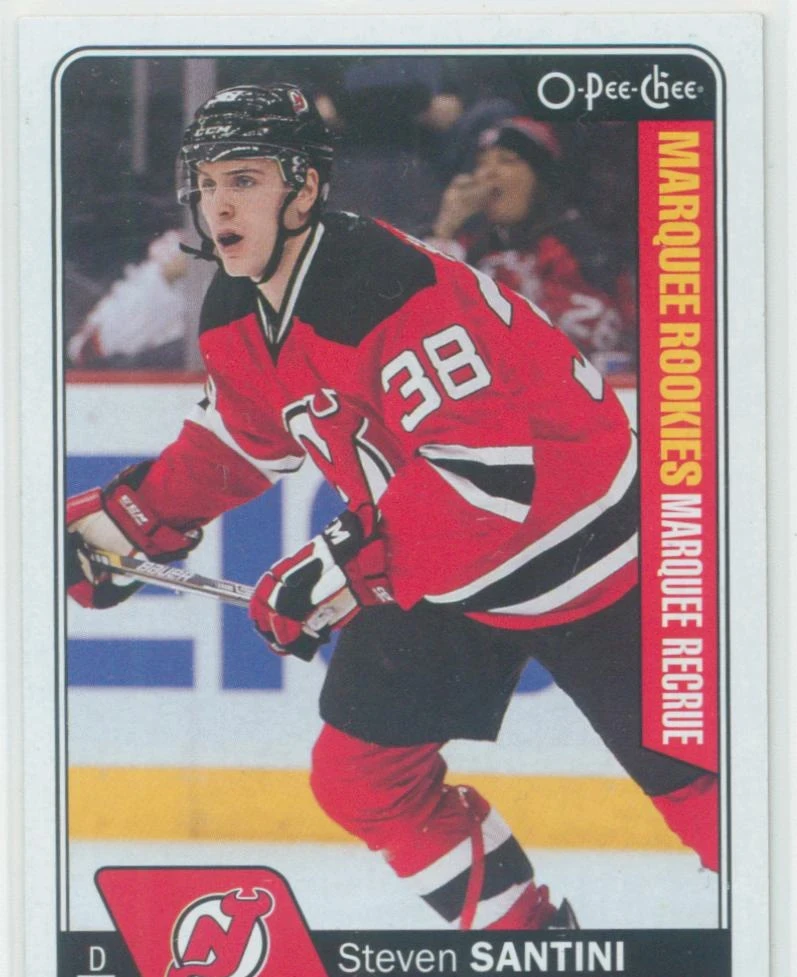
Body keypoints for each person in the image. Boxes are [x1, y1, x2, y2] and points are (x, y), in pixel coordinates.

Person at [66, 83, 718, 931]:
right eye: (208, 182)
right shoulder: (236, 305)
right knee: (361, 778)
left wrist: (336, 566)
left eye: (245, 179)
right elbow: (242, 438)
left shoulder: (386, 283)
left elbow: (483, 476)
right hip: (447, 562)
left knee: (714, 803)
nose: (218, 204)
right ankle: (520, 943)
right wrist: (131, 517)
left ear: (303, 188)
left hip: (595, 554)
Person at [427, 116, 634, 371]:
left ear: (540, 178)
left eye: (507, 160)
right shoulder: (467, 246)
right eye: (481, 163)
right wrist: (444, 229)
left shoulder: (579, 246)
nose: (487, 174)